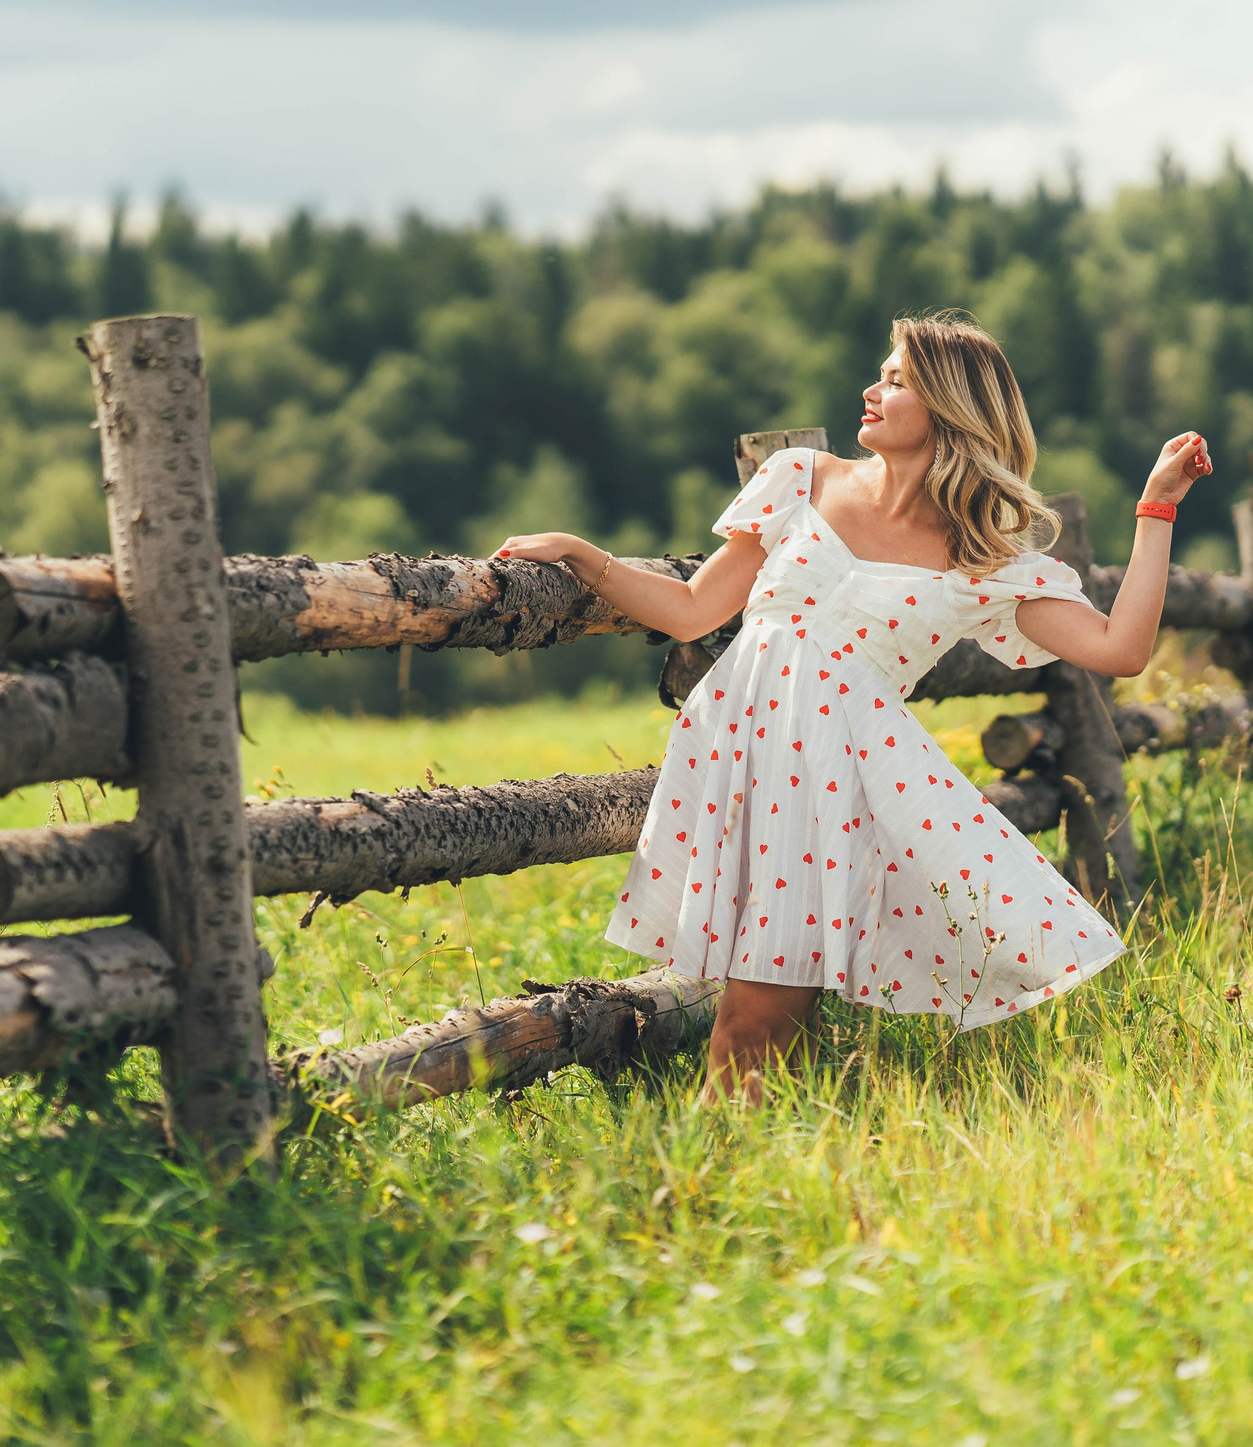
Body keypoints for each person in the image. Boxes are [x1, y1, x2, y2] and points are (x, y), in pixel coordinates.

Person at [495, 313, 1211, 1103]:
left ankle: (715, 1163)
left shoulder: (979, 555)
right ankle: (767, 1155)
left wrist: (1155, 509)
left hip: (830, 794)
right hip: (742, 764)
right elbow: (693, 611)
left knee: (750, 1025)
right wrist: (582, 553)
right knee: (762, 1030)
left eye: (896, 380)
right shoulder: (802, 479)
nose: (872, 390)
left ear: (949, 406)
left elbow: (1121, 648)